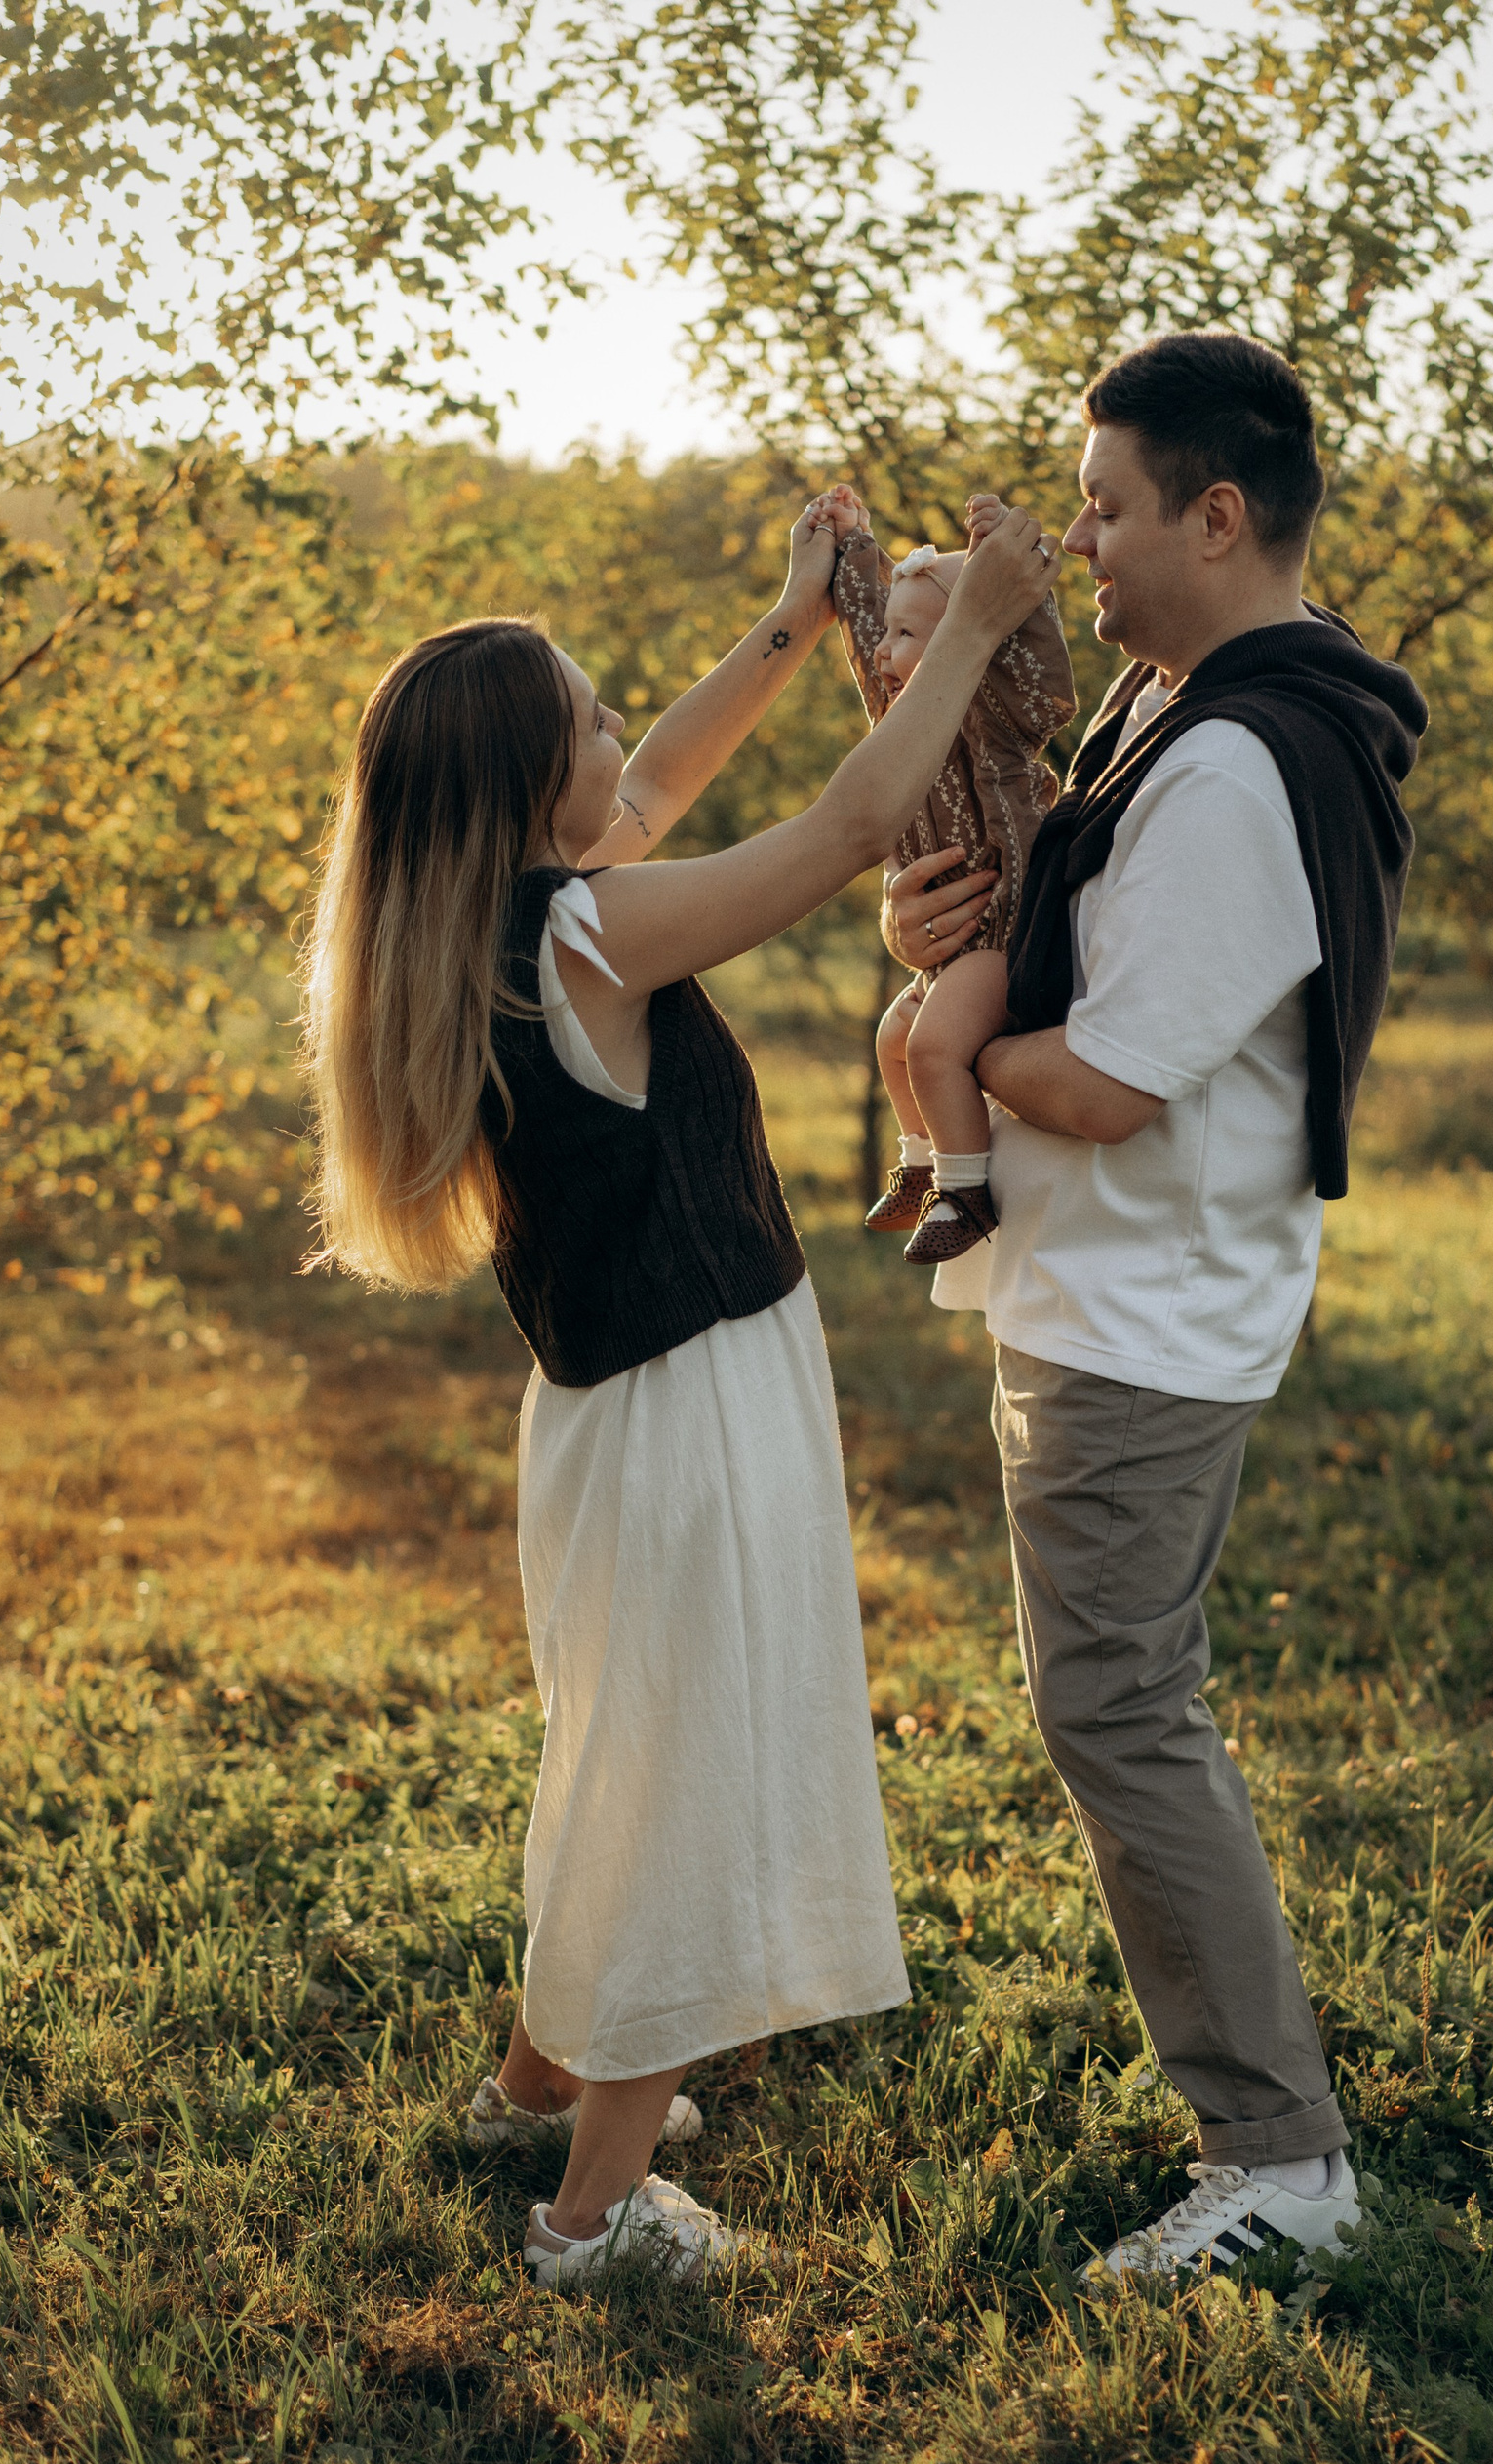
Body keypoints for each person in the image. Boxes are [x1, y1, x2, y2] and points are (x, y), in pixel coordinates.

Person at [302, 492, 1062, 2292]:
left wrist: (793, 624)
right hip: (693, 1406)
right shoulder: (590, 935)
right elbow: (851, 826)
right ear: (524, 784)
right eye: (586, 717)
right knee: (687, 1774)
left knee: (624, 1749)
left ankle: (529, 2090)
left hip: (610, 1417)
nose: (617, 737)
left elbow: (652, 794)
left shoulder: (491, 925)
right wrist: (970, 627)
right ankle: (595, 2212)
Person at [888, 332, 1428, 2284]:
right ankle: (1267, 2125)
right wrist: (943, 951)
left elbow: (1111, 1080)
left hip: (1146, 1307)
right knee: (1118, 1700)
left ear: (1216, 516)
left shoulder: (1235, 766)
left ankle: (1280, 2157)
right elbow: (1066, 929)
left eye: (1106, 509)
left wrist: (959, 1050)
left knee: (1118, 1707)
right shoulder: (1179, 707)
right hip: (1104, 1286)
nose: (1083, 547)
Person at [823, 486, 1075, 1262]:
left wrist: (1009, 570)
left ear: (974, 641)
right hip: (949, 950)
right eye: (891, 634)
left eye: (908, 636)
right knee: (895, 1040)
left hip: (1002, 937)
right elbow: (866, 629)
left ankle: (965, 1192)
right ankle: (921, 1163)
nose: (885, 653)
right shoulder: (899, 725)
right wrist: (852, 545)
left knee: (933, 1047)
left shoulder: (995, 726)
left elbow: (1038, 676)